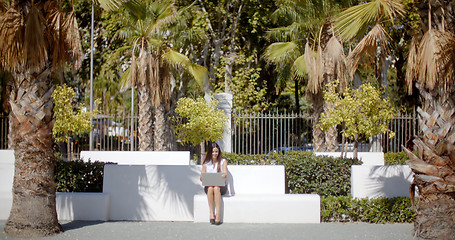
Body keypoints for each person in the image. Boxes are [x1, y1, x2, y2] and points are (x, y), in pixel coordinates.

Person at [200, 143, 228, 225]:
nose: (215, 154)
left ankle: (218, 215)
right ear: (210, 152)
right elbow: (201, 176)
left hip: (220, 187)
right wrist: (202, 177)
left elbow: (225, 173)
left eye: (216, 151)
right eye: (213, 152)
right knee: (210, 188)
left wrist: (223, 175)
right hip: (209, 186)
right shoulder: (206, 163)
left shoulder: (223, 161)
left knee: (216, 188)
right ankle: (212, 214)